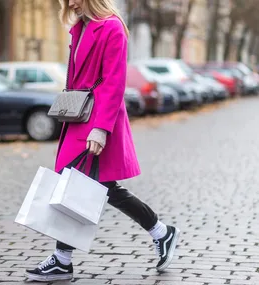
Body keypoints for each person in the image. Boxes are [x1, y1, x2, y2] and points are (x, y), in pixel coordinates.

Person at [25, 0, 180, 282]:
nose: (70, 3)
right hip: (78, 116)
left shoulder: (111, 28)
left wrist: (101, 129)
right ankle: (160, 231)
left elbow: (114, 81)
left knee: (81, 183)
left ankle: (63, 260)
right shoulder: (79, 28)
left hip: (98, 118)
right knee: (86, 184)